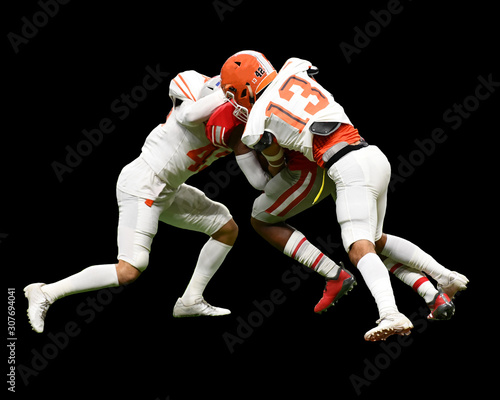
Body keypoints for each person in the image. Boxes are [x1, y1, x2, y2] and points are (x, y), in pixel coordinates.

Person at [220, 50, 468, 341]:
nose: (235, 103)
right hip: (371, 153)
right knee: (375, 241)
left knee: (358, 248)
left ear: (246, 89)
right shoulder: (294, 67)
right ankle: (442, 278)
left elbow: (274, 163)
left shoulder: (256, 122)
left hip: (346, 166)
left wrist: (273, 158)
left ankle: (390, 312)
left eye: (234, 95)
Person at [24, 71, 241, 333]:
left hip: (167, 189)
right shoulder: (192, 101)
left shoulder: (231, 117)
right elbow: (188, 114)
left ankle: (190, 300)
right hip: (142, 183)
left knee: (226, 228)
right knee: (131, 268)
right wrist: (229, 92)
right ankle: (45, 293)